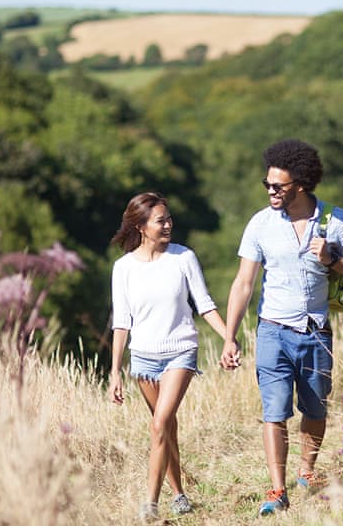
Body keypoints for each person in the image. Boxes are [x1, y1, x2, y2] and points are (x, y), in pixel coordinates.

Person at [221, 140, 343, 516]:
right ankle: (277, 489)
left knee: (315, 407)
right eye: (267, 184)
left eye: (278, 186)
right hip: (271, 328)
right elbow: (243, 283)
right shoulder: (260, 223)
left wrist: (332, 258)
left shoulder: (335, 221)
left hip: (316, 331)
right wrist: (229, 336)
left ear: (300, 185)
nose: (271, 191)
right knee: (274, 411)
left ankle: (307, 471)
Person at [108, 192, 229, 523]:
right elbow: (121, 322)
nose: (168, 224)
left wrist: (229, 339)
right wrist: (115, 371)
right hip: (143, 359)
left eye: (169, 218)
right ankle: (179, 494)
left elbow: (204, 304)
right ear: (141, 226)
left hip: (180, 350)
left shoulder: (182, 257)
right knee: (167, 429)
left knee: (159, 423)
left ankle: (150, 502)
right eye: (161, 220)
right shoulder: (123, 269)